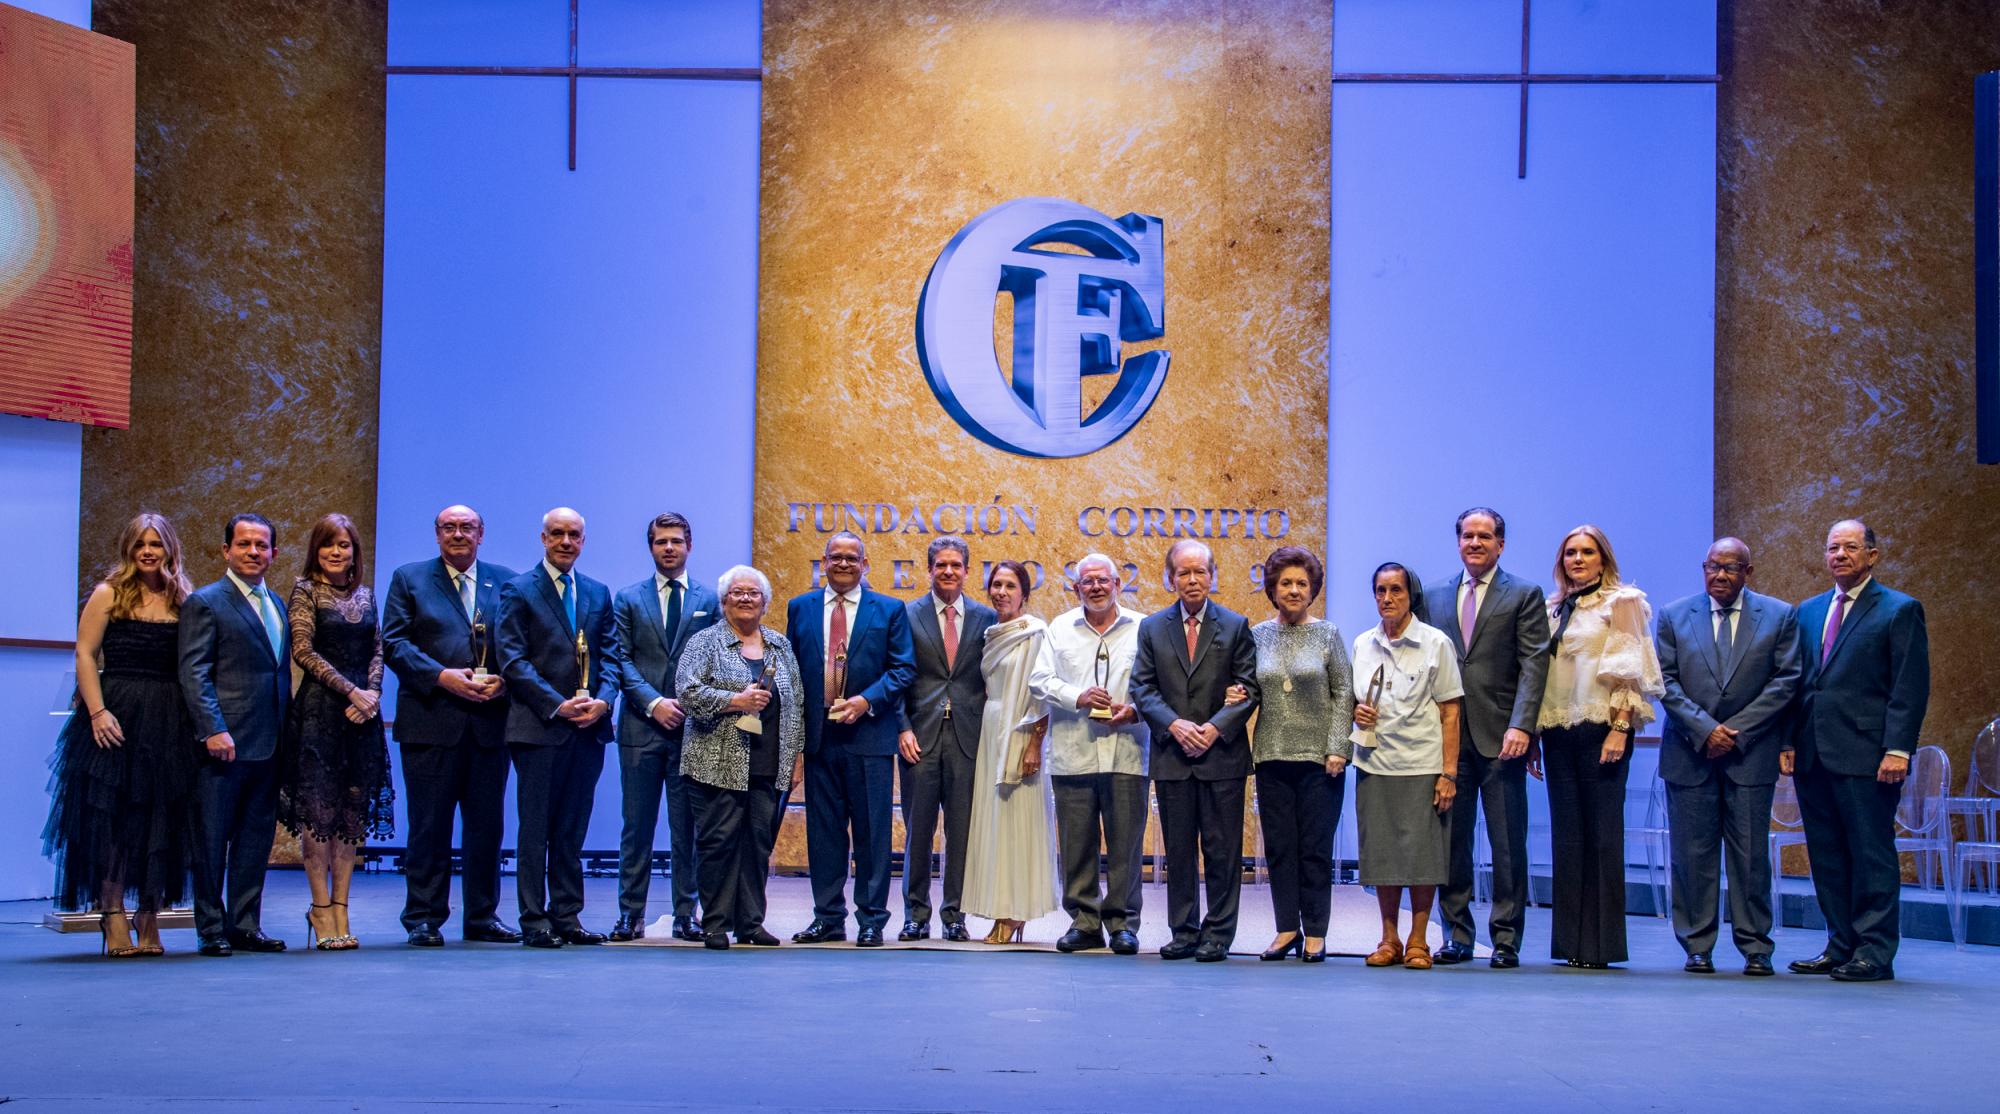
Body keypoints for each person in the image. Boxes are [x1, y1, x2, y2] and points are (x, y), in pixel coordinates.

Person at [42, 512, 198, 957]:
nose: (148, 551)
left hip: (170, 718)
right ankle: (112, 915)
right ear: (128, 549)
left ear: (170, 548)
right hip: (117, 715)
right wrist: (97, 712)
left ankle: (149, 915)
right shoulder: (108, 593)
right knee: (112, 818)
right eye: (140, 544)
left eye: (156, 543)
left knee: (161, 819)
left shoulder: (184, 598)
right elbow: (85, 653)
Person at [1783, 519, 1930, 982]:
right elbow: (1798, 684)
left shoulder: (1899, 610)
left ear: (1872, 555)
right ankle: (1840, 945)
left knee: (1870, 855)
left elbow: (1909, 687)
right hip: (1813, 754)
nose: (1840, 555)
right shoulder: (1808, 611)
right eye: (1832, 548)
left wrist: (1898, 749)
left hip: (1869, 755)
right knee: (1827, 855)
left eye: (1850, 547)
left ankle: (1874, 952)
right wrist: (1788, 740)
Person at [1656, 537, 1801, 976]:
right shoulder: (1674, 615)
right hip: (1690, 754)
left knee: (1750, 859)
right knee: (1691, 857)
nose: (1719, 575)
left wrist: (1734, 733)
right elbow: (1664, 680)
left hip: (1748, 755)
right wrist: (1705, 730)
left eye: (1730, 568)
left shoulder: (1779, 615)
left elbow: (1786, 680)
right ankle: (1696, 946)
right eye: (1712, 566)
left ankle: (1755, 947)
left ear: (1748, 572)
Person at [381, 504, 519, 947]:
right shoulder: (409, 579)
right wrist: (441, 677)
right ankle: (423, 917)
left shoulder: (507, 582)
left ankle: (482, 916)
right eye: (449, 527)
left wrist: (505, 681)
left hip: (489, 724)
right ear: (437, 534)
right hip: (430, 723)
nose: (458, 534)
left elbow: (519, 644)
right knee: (429, 826)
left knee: (487, 828)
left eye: (467, 527)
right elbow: (394, 643)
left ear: (482, 534)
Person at [1419, 507, 1551, 969]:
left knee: (1507, 844)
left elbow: (1534, 664)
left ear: (1500, 544)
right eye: (1467, 536)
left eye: (1485, 536)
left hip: (1502, 737)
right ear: (1458, 541)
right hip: (1446, 740)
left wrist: (1523, 725)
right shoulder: (1433, 594)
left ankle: (1506, 940)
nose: (1475, 543)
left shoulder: (1524, 594)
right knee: (1451, 844)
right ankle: (1456, 936)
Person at [1534, 524, 1664, 969]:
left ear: (1603, 559)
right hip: (1558, 730)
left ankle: (1601, 946)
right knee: (1567, 837)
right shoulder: (1553, 608)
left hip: (1602, 728)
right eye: (1570, 552)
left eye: (1587, 552)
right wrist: (1534, 733)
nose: (1578, 559)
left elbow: (1630, 669)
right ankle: (1571, 944)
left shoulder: (1622, 601)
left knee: (1602, 836)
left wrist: (1621, 727)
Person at [497, 507, 622, 949]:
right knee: (535, 830)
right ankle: (534, 920)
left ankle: (567, 916)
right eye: (557, 534)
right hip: (539, 728)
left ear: (583, 541)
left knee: (572, 829)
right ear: (543, 538)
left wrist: (603, 701)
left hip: (588, 728)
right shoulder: (518, 590)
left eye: (573, 535)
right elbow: (512, 659)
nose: (565, 541)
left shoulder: (596, 592)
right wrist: (558, 705)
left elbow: (611, 657)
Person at [1131, 539, 1259, 962]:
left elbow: (1248, 688)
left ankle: (1218, 934)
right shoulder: (1152, 628)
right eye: (1183, 572)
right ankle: (1183, 931)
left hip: (1221, 757)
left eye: (1199, 571)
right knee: (1180, 852)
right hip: (1173, 756)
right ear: (1171, 578)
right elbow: (1142, 688)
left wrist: (1214, 727)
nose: (1192, 579)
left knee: (1222, 852)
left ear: (1212, 576)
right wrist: (1174, 724)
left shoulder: (1235, 626)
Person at [786, 531, 915, 947]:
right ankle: (827, 918)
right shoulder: (800, 608)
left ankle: (872, 920)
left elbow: (903, 669)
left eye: (852, 558)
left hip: (869, 735)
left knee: (872, 834)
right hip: (820, 738)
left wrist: (865, 701)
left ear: (865, 565)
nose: (843, 563)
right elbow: (792, 673)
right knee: (823, 834)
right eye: (836, 557)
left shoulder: (889, 609)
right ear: (823, 563)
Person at [277, 513, 394, 950]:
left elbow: (377, 649)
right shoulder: (305, 590)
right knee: (319, 818)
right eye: (328, 544)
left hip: (361, 716)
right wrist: (352, 691)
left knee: (351, 817)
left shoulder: (366, 594)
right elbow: (303, 651)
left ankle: (342, 907)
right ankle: (320, 907)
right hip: (321, 713)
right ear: (317, 549)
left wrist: (373, 694)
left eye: (344, 544)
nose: (336, 552)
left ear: (354, 551)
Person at [178, 512, 292, 957]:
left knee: (254, 840)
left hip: (270, 743)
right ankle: (210, 928)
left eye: (261, 545)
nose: (253, 552)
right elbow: (194, 673)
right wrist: (213, 729)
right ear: (226, 550)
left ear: (274, 553)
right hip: (223, 744)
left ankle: (245, 925)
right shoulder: (206, 602)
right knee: (211, 841)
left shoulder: (277, 603)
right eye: (244, 544)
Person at [675, 566, 805, 949]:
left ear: (765, 602)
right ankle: (715, 923)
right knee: (718, 845)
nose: (746, 598)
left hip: (768, 764)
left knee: (758, 845)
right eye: (737, 592)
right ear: (724, 601)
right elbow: (687, 693)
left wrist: (797, 756)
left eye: (753, 593)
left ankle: (751, 923)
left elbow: (796, 703)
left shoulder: (780, 645)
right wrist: (736, 700)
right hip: (714, 764)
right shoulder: (705, 642)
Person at [1030, 553, 1149, 955]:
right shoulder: (1059, 628)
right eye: (1088, 581)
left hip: (1127, 751)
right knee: (1077, 845)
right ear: (1076, 588)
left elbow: (1157, 684)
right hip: (1073, 752)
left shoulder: (1143, 628)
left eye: (1103, 580)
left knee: (1126, 846)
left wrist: (1135, 710)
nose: (1096, 587)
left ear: (1118, 585)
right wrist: (1076, 696)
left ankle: (1123, 924)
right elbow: (1039, 680)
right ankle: (1084, 923)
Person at [611, 512, 720, 942]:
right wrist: (654, 703)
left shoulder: (709, 600)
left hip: (693, 731)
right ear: (651, 547)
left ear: (689, 545)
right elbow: (619, 659)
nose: (669, 548)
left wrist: (690, 702)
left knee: (686, 830)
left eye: (676, 541)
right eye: (661, 542)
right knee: (636, 827)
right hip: (640, 730)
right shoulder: (628, 598)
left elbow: (715, 659)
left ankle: (685, 914)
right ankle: (629, 914)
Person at [1350, 562, 1463, 969]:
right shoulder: (1363, 644)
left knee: (1421, 857)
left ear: (1410, 595)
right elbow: (1355, 701)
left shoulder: (1435, 643)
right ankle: (1389, 939)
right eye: (1380, 591)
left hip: (1421, 764)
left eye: (1395, 590)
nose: (1387, 598)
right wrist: (1357, 713)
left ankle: (1419, 940)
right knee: (1382, 857)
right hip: (1375, 764)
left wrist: (1448, 773)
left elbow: (1451, 712)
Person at [1243, 546, 1352, 963]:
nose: (1293, 590)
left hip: (1321, 761)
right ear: (1272, 589)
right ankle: (1287, 928)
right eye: (1285, 583)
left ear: (1313, 589)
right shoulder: (1257, 635)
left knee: (1314, 849)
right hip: (1271, 756)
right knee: (1280, 849)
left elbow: (1344, 692)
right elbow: (1247, 687)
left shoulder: (1327, 634)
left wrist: (1338, 747)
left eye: (1301, 583)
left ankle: (1316, 932)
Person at [895, 537, 996, 942]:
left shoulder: (987, 617)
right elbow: (897, 676)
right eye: (941, 565)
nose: (948, 571)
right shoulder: (907, 614)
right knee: (918, 832)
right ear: (930, 569)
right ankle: (915, 915)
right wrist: (902, 727)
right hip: (919, 737)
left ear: (967, 571)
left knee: (962, 834)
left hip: (969, 739)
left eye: (956, 565)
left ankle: (955, 915)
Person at [961, 560, 1057, 943]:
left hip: (1021, 731)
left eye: (1010, 586)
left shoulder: (1034, 632)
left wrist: (1034, 742)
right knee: (996, 824)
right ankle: (1000, 908)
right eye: (996, 585)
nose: (1001, 592)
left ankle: (1015, 912)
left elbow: (1041, 693)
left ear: (1025, 594)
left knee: (1019, 824)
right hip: (992, 729)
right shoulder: (992, 633)